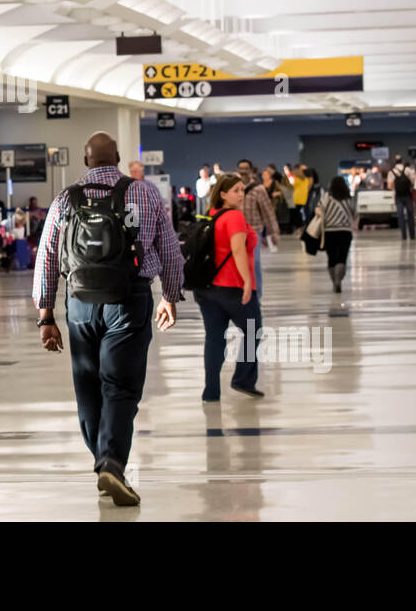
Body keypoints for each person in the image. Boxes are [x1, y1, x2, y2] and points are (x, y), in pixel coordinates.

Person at [33, 131, 184, 507]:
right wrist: (170, 294)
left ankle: (103, 460)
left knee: (87, 384)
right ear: (116, 157)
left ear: (86, 161)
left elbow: (47, 257)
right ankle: (111, 462)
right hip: (129, 299)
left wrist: (46, 314)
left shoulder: (65, 199)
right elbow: (169, 248)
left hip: (80, 302)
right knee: (120, 384)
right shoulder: (144, 193)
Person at [194, 174, 262, 402]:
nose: (241, 194)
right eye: (235, 190)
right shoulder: (234, 216)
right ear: (222, 194)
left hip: (207, 288)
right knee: (253, 330)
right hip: (232, 286)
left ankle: (211, 390)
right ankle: (243, 379)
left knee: (214, 337)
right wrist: (247, 283)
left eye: (242, 190)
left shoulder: (213, 215)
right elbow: (239, 250)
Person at [236, 158, 279, 300]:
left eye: (245, 168)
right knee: (237, 263)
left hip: (254, 231)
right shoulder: (234, 188)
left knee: (255, 263)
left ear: (251, 170)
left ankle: (257, 295)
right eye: (240, 168)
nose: (243, 171)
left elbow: (268, 211)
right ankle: (242, 292)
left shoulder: (258, 189)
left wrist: (273, 232)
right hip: (236, 232)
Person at [317, 176, 356, 294]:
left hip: (329, 232)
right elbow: (354, 213)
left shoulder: (326, 198)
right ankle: (339, 279)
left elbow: (318, 211)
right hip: (345, 231)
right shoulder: (349, 199)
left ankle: (334, 280)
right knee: (342, 257)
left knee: (331, 258)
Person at [390, 158, 416, 241]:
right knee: (410, 215)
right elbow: (413, 181)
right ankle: (412, 235)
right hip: (408, 195)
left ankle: (404, 236)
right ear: (402, 161)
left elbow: (389, 185)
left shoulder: (392, 172)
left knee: (401, 215)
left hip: (398, 196)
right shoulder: (408, 170)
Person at [290, 163, 313, 232]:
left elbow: (309, 183)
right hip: (297, 197)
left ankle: (301, 227)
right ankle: (300, 227)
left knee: (300, 212)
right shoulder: (297, 176)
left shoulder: (302, 175)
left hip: (301, 197)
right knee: (297, 212)